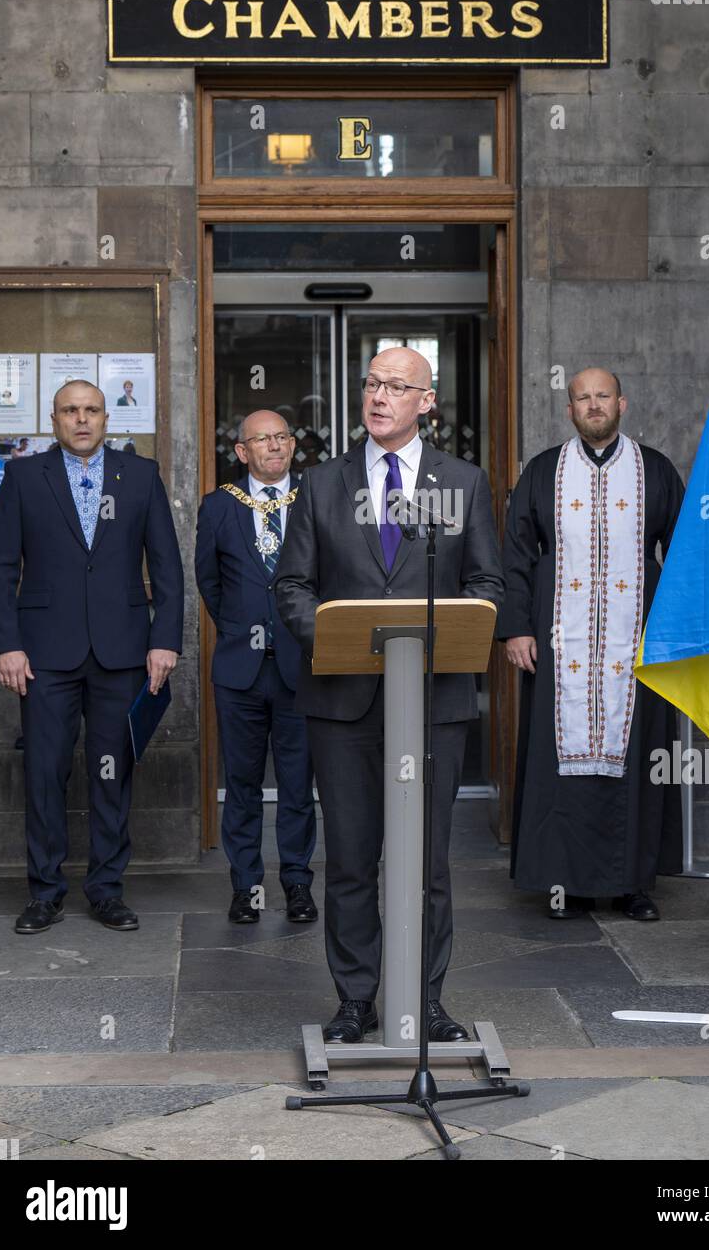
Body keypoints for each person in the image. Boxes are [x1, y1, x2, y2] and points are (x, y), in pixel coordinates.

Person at [276, 347, 504, 1043]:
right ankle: (356, 1000)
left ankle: (425, 1001)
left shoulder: (461, 483)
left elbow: (489, 586)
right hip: (341, 704)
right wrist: (341, 633)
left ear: (427, 403)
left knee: (428, 864)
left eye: (398, 387)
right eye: (372, 383)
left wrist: (443, 630)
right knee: (349, 859)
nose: (379, 396)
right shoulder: (319, 484)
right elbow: (291, 586)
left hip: (432, 707)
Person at [0, 380, 183, 935]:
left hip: (122, 652)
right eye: (71, 411)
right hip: (43, 654)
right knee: (45, 771)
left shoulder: (139, 476)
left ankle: (105, 890)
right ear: (54, 419)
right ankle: (44, 893)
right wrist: (7, 644)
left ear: (105, 419)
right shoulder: (25, 476)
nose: (82, 419)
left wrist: (164, 640)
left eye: (92, 410)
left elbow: (166, 567)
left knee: (111, 773)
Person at [497, 368, 684, 921]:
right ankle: (565, 885)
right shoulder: (542, 472)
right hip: (559, 644)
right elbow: (515, 555)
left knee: (635, 760)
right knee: (561, 762)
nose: (594, 405)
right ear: (570, 408)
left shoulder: (655, 470)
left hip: (637, 646)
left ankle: (634, 885)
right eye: (583, 397)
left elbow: (682, 554)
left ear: (622, 403)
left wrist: (678, 632)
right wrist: (515, 627)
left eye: (603, 396)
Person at [195, 409, 317, 926]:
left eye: (282, 438)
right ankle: (246, 887)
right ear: (241, 451)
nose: (274, 447)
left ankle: (296, 884)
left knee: (297, 784)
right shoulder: (219, 506)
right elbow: (209, 580)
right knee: (241, 784)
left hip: (300, 667)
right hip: (240, 670)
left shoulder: (314, 497)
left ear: (292, 446)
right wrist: (240, 629)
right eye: (262, 440)